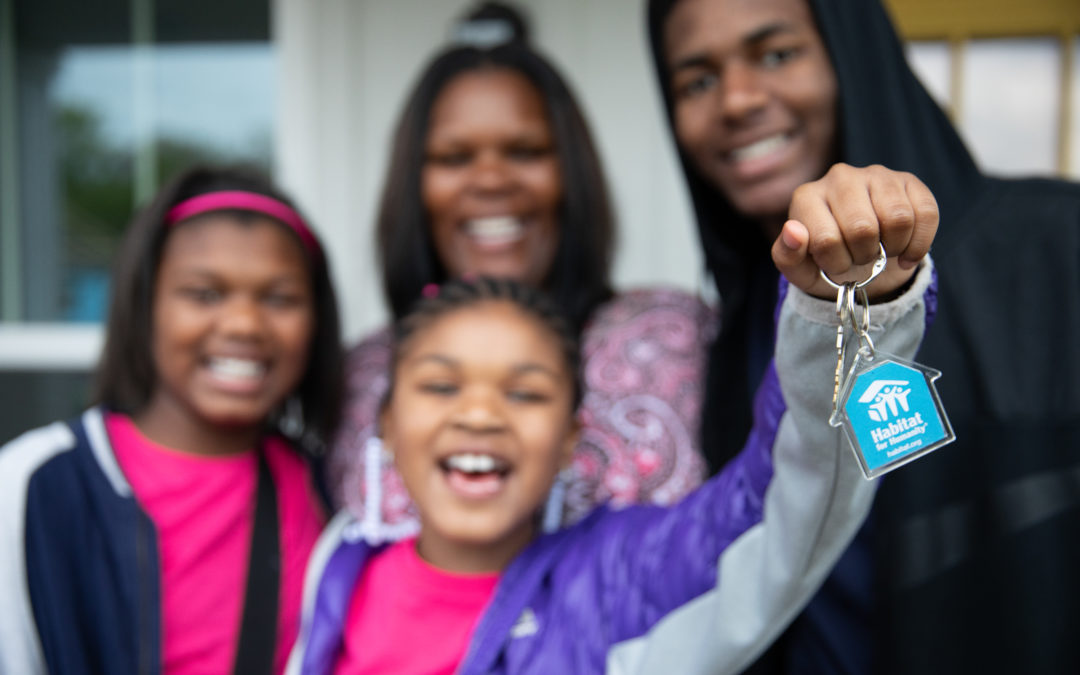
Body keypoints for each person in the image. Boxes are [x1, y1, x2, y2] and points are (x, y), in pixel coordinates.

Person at [286, 163, 939, 672]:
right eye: (440, 385)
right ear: (388, 423)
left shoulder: (619, 580)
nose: (480, 413)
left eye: (525, 392)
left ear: (572, 439)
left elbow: (783, 503)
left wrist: (844, 309)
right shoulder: (337, 566)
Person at [645, 0, 1080, 672]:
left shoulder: (1057, 248)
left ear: (854, 57)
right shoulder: (727, 332)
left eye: (778, 54)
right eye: (697, 81)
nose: (735, 100)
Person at [328, 2, 713, 537]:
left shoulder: (669, 334)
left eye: (525, 151)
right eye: (455, 157)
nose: (490, 179)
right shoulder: (363, 374)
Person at [0, 166, 345, 675]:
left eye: (279, 298)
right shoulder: (34, 482)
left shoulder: (331, 489)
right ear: (145, 306)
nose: (244, 324)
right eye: (204, 294)